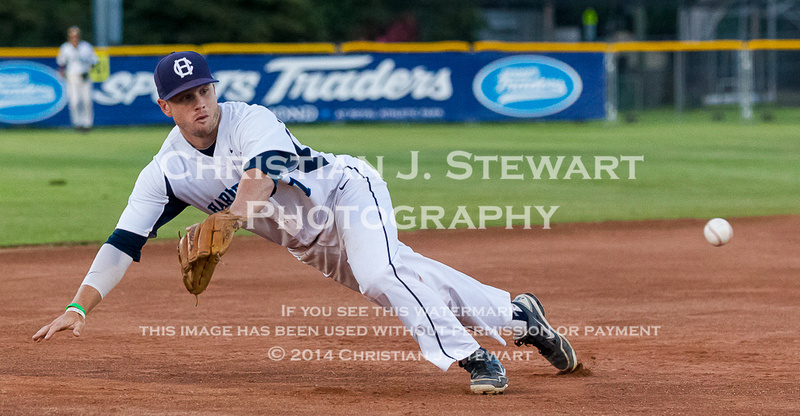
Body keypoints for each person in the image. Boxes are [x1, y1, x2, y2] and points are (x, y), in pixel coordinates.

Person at [33, 51, 579, 394]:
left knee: (380, 276)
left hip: (347, 191)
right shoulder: (165, 173)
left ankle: (472, 356)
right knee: (407, 278)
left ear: (214, 88)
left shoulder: (252, 119)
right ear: (164, 107)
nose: (199, 103)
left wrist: (227, 222)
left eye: (203, 90)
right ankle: (517, 316)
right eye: (184, 97)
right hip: (308, 242)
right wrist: (80, 306)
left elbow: (260, 179)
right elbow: (122, 243)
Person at [56, 26, 98, 132]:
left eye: (76, 35)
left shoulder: (86, 46)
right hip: (72, 76)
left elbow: (94, 61)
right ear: (69, 36)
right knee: (74, 101)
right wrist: (62, 72)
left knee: (86, 100)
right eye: (72, 36)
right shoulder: (65, 48)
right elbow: (61, 63)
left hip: (85, 76)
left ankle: (87, 124)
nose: (74, 38)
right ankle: (77, 123)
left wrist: (89, 70)